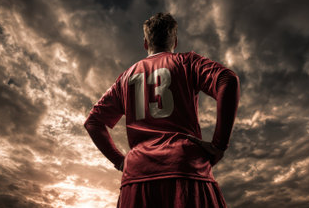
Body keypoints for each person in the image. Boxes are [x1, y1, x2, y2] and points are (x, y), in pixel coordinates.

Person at [84, 12, 240, 208]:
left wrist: (120, 161)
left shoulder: (125, 78)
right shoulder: (187, 62)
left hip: (138, 174)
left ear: (145, 43)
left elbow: (93, 122)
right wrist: (219, 145)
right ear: (175, 41)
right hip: (184, 167)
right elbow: (228, 80)